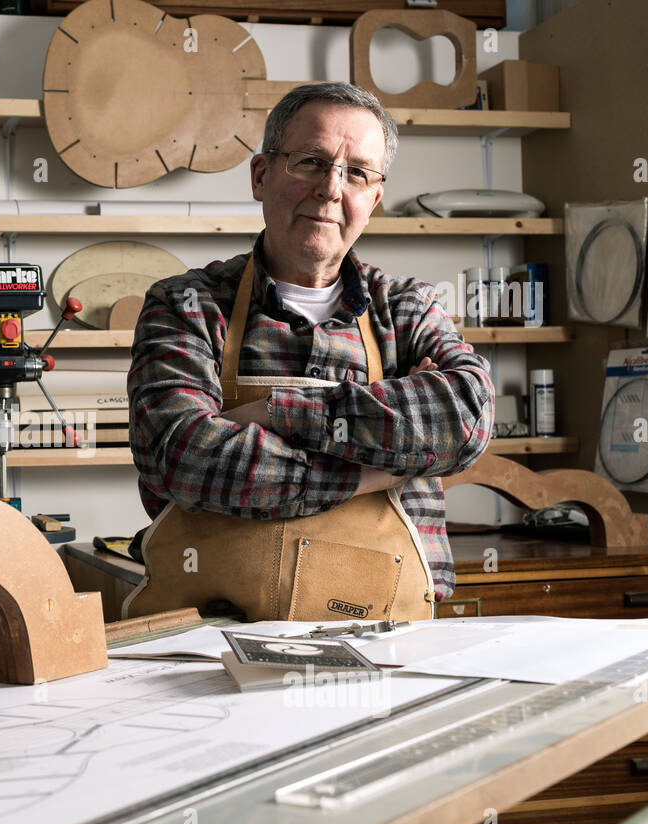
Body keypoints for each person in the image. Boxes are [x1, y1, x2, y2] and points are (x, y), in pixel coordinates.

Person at [127, 82, 495, 611]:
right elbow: (181, 456)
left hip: (387, 634)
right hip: (208, 637)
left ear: (374, 199)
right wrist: (382, 467)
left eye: (357, 173)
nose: (330, 189)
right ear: (260, 175)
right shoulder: (186, 305)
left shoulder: (408, 307)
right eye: (310, 162)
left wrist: (276, 414)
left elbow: (467, 419)